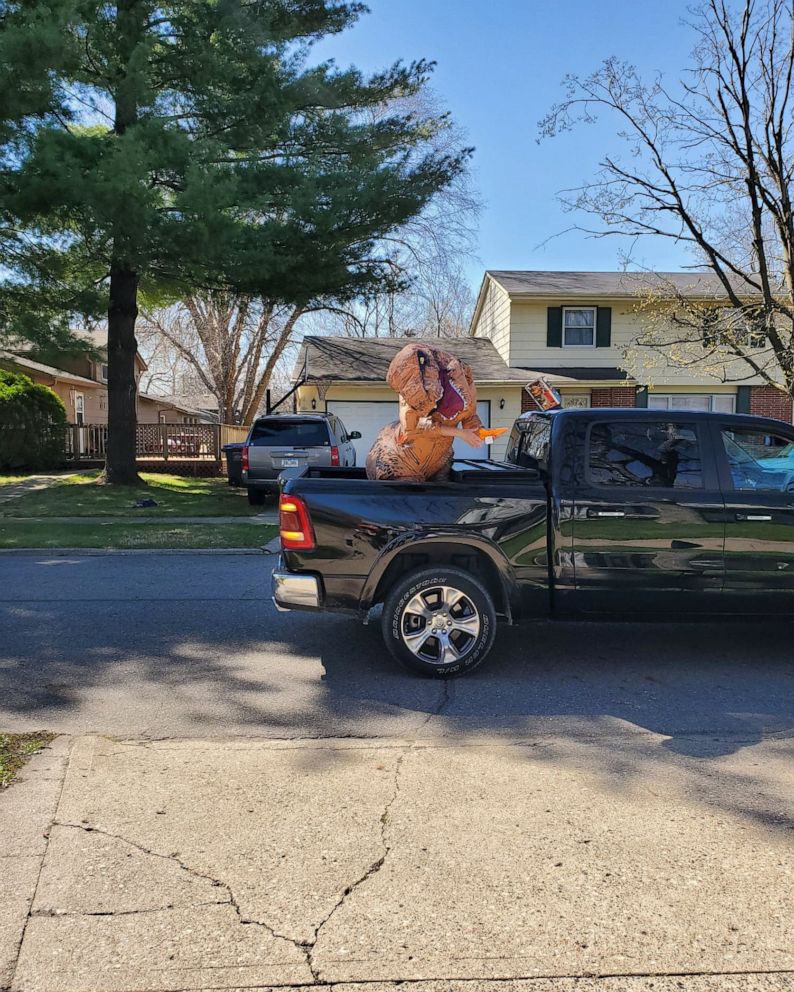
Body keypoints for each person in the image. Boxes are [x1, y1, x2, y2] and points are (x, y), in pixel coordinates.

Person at [366, 343, 484, 482]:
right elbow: (416, 427)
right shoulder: (411, 398)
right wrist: (460, 433)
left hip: (438, 461)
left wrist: (478, 431)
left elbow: (469, 414)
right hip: (401, 462)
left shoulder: (459, 376)